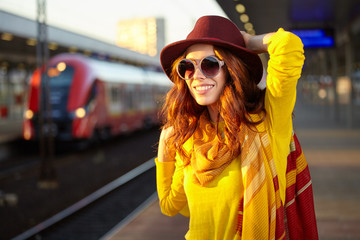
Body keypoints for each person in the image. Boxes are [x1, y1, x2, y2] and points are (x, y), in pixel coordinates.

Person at [156, 15, 318, 239]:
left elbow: (288, 46)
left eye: (210, 64)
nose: (198, 76)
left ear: (231, 70)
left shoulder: (267, 122)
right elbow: (170, 205)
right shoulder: (190, 135)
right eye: (188, 67)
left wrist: (249, 43)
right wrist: (165, 148)